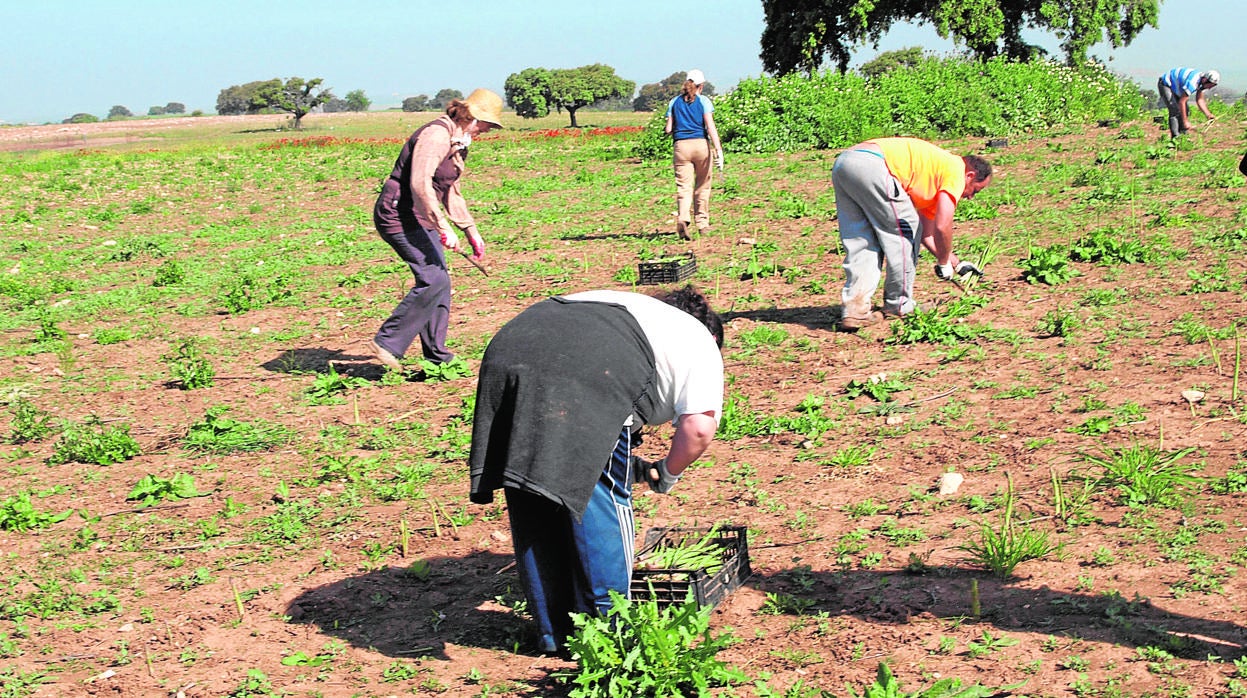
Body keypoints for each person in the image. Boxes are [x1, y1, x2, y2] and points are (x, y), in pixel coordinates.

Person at [468, 285, 724, 654]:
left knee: (533, 495)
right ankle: (610, 636)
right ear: (715, 335)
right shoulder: (701, 340)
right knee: (601, 500)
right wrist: (667, 473)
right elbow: (698, 428)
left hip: (512, 346)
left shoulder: (640, 311)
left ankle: (554, 634)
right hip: (583, 369)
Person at [368, 88, 504, 371]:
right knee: (433, 280)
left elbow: (450, 188)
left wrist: (469, 230)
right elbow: (420, 183)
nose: (489, 132)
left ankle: (436, 355)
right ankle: (388, 342)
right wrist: (443, 227)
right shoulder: (436, 135)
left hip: (420, 214)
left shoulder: (459, 140)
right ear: (474, 117)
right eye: (489, 125)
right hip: (398, 212)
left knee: (440, 281)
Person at [832, 137, 993, 331]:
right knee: (903, 235)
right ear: (969, 175)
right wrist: (942, 263)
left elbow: (926, 233)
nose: (970, 197)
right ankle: (899, 306)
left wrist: (954, 263)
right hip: (874, 165)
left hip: (846, 162)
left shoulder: (934, 175)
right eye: (974, 190)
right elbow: (943, 225)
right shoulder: (955, 170)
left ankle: (855, 312)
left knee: (862, 242)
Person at [664, 69, 724, 240]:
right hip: (701, 146)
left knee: (684, 187)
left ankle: (683, 218)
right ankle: (703, 224)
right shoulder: (704, 101)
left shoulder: (674, 102)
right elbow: (710, 126)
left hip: (681, 147)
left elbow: (669, 129)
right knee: (703, 186)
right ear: (701, 86)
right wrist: (719, 150)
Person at [1157, 68, 1219, 138]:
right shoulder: (1193, 83)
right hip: (1166, 84)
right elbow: (1182, 102)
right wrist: (1185, 121)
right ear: (1205, 80)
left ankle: (1183, 135)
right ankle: (1175, 138)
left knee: (1186, 110)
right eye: (1210, 85)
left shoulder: (1202, 83)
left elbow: (1200, 100)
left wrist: (1208, 114)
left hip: (1177, 87)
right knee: (1174, 110)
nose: (1209, 88)